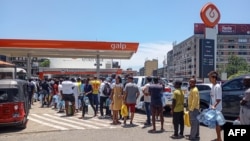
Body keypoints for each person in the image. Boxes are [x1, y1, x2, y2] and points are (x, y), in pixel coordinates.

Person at [208, 71, 222, 141]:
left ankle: (219, 138)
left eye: (210, 78)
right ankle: (218, 138)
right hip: (213, 108)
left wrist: (214, 106)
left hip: (217, 109)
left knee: (218, 124)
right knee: (216, 124)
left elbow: (218, 99)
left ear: (214, 78)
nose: (209, 79)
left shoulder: (217, 87)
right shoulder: (213, 86)